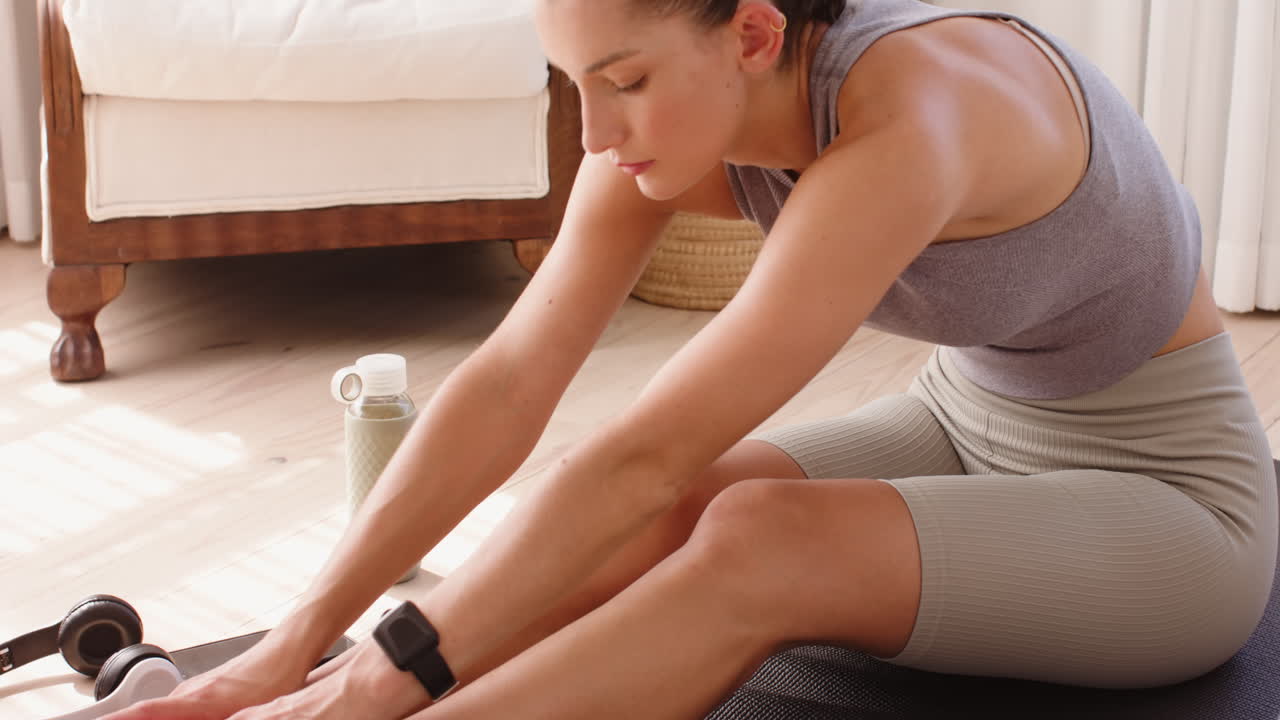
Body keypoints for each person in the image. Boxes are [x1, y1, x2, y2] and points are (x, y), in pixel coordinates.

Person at [106, 0, 1278, 718]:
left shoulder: (913, 122)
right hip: (965, 420)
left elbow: (651, 451)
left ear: (754, 32)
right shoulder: (675, 126)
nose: (594, 132)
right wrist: (289, 648)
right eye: (574, 85)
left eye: (620, 83)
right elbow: (514, 378)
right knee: (649, 525)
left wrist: (380, 686)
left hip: (1166, 502)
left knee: (753, 536)